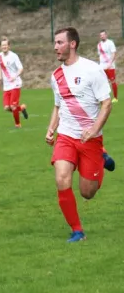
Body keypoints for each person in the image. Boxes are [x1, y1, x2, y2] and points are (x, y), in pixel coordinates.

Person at [45, 27, 113, 242]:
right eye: (55, 43)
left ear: (72, 44)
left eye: (59, 42)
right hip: (66, 136)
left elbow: (106, 103)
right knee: (61, 178)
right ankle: (77, 230)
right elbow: (58, 106)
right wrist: (51, 128)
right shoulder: (56, 76)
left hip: (90, 140)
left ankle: (101, 156)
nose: (55, 47)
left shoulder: (92, 70)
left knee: (87, 192)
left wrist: (94, 130)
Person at [0, 37, 28, 128]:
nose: (4, 47)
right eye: (2, 45)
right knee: (7, 107)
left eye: (5, 45)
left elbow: (21, 68)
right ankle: (21, 108)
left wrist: (15, 76)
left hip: (15, 84)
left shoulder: (14, 56)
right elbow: (0, 67)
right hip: (6, 86)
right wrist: (0, 77)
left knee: (13, 106)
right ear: (1, 46)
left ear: (9, 46)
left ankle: (17, 124)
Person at [97, 29, 118, 103]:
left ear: (106, 35)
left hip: (110, 65)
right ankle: (104, 98)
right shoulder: (99, 45)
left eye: (103, 35)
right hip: (102, 66)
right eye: (101, 35)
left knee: (112, 80)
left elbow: (114, 53)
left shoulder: (110, 43)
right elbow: (100, 55)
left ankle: (115, 98)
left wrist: (110, 63)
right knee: (101, 81)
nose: (102, 36)